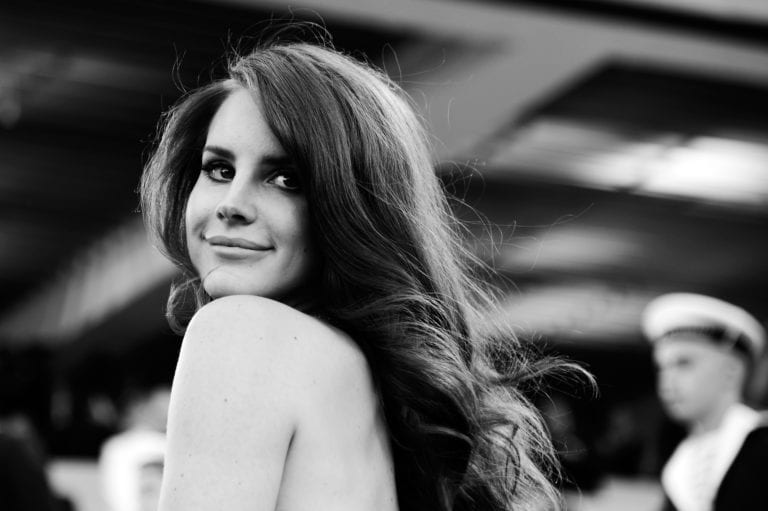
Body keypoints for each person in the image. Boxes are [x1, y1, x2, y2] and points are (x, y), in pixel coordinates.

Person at [141, 32, 577, 511]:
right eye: (219, 169)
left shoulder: (240, 331)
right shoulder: (373, 391)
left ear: (353, 209)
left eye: (286, 179)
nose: (232, 204)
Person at [642, 292, 768, 511]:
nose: (667, 381)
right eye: (662, 367)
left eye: (684, 363)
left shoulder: (759, 445)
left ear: (731, 370)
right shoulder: (680, 461)